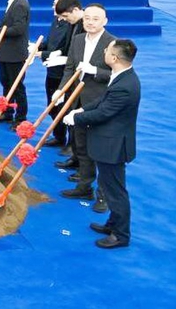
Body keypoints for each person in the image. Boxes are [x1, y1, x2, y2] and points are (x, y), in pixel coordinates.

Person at [63, 39, 140, 249]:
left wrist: (76, 118)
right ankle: (112, 224)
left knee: (115, 191)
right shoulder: (121, 76)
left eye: (107, 50)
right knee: (108, 185)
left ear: (114, 58)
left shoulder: (125, 85)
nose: (104, 51)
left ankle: (121, 235)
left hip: (113, 146)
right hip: (108, 143)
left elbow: (105, 112)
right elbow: (103, 101)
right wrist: (82, 109)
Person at [55, 4, 114, 209]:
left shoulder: (113, 43)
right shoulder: (78, 39)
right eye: (87, 18)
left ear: (105, 21)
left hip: (100, 103)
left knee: (101, 150)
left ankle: (104, 196)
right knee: (81, 146)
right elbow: (70, 68)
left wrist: (95, 70)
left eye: (95, 19)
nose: (90, 22)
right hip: (77, 100)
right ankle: (84, 186)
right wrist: (61, 90)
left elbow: (117, 75)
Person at [37, 0, 79, 149]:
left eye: (57, 3)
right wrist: (39, 48)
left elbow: (65, 48)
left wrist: (47, 54)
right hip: (52, 69)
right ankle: (58, 136)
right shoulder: (56, 21)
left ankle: (72, 143)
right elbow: (51, 41)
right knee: (53, 106)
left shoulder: (71, 24)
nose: (54, 7)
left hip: (64, 72)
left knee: (67, 108)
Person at [50, 0, 86, 156]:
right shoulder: (73, 24)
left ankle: (76, 149)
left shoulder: (85, 26)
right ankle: (71, 146)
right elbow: (68, 47)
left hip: (84, 80)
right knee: (69, 110)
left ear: (76, 10)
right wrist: (60, 54)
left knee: (77, 115)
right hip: (71, 74)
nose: (65, 19)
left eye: (66, 16)